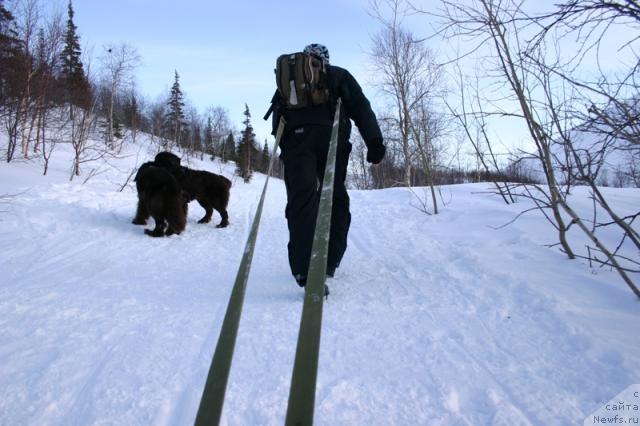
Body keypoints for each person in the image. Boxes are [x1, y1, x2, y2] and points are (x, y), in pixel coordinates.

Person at [268, 43, 385, 288]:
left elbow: (277, 115)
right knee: (334, 199)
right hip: (331, 140)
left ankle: (303, 269)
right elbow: (361, 107)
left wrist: (287, 151)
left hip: (296, 141)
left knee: (301, 201)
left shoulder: (291, 81)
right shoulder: (338, 75)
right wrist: (374, 141)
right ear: (326, 60)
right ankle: (329, 261)